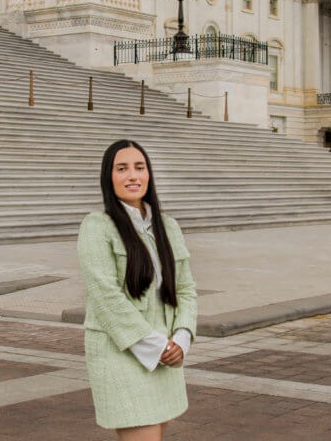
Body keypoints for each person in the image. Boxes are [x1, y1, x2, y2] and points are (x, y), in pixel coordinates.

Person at [77, 139, 197, 439]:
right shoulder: (97, 226)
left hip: (167, 352)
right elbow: (105, 297)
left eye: (139, 167)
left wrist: (181, 339)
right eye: (122, 168)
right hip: (123, 352)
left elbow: (185, 288)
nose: (133, 175)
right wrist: (156, 346)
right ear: (109, 177)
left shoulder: (168, 226)